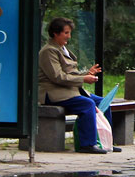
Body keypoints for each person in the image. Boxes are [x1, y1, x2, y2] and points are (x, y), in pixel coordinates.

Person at [38, 17, 116, 154]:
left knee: (104, 102)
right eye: (66, 33)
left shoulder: (63, 49)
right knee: (87, 104)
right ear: (56, 33)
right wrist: (83, 79)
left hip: (70, 91)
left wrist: (87, 73)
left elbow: (70, 73)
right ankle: (87, 144)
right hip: (55, 93)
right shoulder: (48, 51)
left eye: (69, 33)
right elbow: (58, 77)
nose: (69, 36)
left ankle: (105, 141)